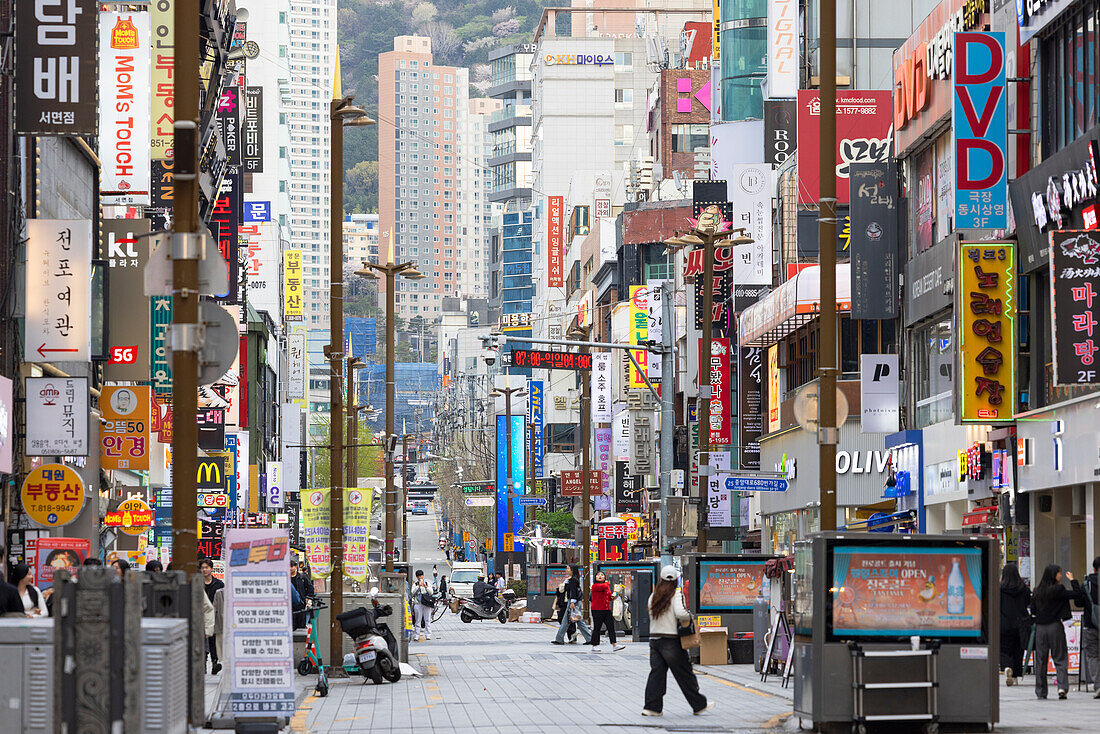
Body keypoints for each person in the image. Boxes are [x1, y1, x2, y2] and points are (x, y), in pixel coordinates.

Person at [642, 565, 714, 717]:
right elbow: (681, 613)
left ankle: (651, 707)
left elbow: (650, 611)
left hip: (655, 639)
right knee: (684, 673)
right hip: (671, 640)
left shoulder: (653, 596)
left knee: (657, 674)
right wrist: (689, 615)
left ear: (661, 579)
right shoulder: (675, 594)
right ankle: (699, 704)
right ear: (676, 580)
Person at [1030, 563, 1087, 699]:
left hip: (1040, 628)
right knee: (1060, 658)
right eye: (1059, 573)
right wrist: (1073, 580)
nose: (1060, 576)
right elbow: (1077, 594)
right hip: (1055, 627)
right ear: (1054, 575)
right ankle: (1062, 687)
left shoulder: (1037, 591)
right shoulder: (1058, 589)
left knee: (1041, 661)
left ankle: (1041, 692)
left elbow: (1033, 611)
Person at [999, 562, 1031, 686]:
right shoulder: (1024, 589)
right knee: (1018, 649)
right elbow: (1028, 603)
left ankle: (1007, 667)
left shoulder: (999, 590)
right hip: (1021, 624)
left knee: (1003, 649)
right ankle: (1016, 675)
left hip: (1003, 623)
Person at [552, 566, 592, 645]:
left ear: (572, 570)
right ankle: (589, 638)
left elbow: (573, 592)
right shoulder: (572, 579)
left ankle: (559, 639)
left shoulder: (573, 580)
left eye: (567, 568)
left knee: (567, 622)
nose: (566, 570)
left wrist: (572, 602)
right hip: (574, 602)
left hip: (573, 602)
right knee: (578, 621)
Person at [589, 571, 624, 651]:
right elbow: (603, 587)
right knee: (597, 627)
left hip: (606, 609)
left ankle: (614, 644)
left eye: (602, 575)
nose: (600, 576)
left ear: (604, 577)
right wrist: (607, 582)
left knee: (611, 627)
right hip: (597, 609)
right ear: (595, 577)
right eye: (598, 575)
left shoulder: (606, 586)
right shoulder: (595, 586)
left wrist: (615, 595)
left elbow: (609, 598)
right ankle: (594, 645)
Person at [200, 559, 224, 674]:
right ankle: (203, 663)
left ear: (211, 569)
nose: (204, 570)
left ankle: (215, 662)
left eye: (206, 567)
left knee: (213, 639)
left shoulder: (219, 584)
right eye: (202, 567)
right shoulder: (197, 583)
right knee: (203, 639)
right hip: (201, 616)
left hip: (215, 615)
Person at [1083, 556, 1100, 698]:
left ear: (1094, 569)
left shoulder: (1087, 583)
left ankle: (1098, 685)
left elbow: (1078, 602)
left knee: (1093, 656)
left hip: (1091, 625)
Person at [290, 560, 315, 629]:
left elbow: (310, 587)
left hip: (301, 603)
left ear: (295, 567)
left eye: (291, 566)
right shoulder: (285, 577)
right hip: (288, 604)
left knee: (301, 623)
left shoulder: (302, 577)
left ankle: (300, 638)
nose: (289, 568)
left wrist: (307, 598)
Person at [413, 571, 434, 641]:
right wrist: (418, 586)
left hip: (427, 604)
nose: (420, 578)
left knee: (427, 619)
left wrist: (425, 586)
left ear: (423, 576)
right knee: (417, 620)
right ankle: (416, 635)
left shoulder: (427, 583)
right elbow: (412, 592)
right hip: (418, 603)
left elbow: (431, 592)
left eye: (421, 576)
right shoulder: (415, 584)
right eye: (418, 576)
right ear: (416, 577)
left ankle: (428, 634)